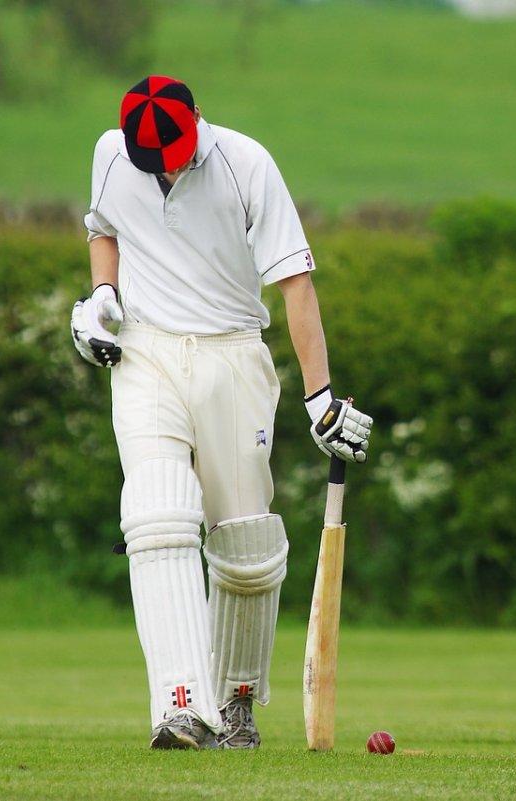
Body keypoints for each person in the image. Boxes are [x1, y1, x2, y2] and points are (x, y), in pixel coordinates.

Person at [70, 75, 373, 750]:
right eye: (156, 159)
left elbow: (295, 283)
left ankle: (234, 699)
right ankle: (180, 706)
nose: (169, 167)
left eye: (176, 152)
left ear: (197, 122)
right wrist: (100, 297)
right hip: (145, 352)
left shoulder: (246, 164)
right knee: (157, 514)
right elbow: (103, 231)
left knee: (246, 546)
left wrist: (319, 397)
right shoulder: (112, 154)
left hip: (232, 353)